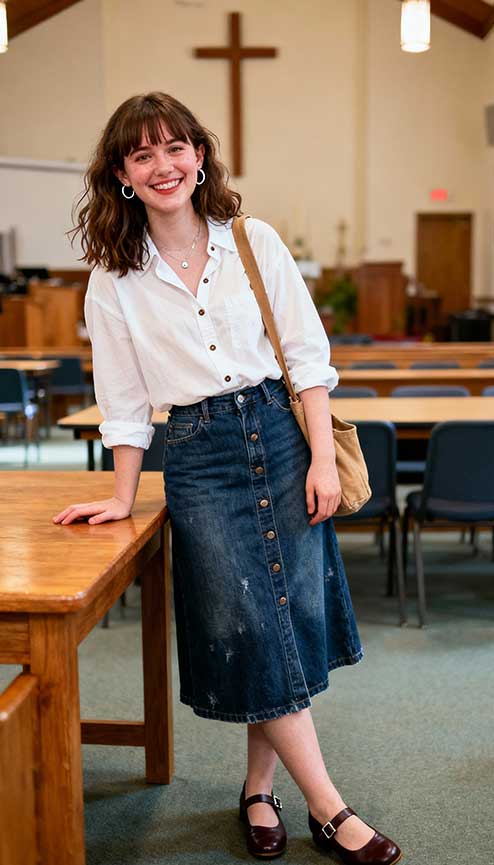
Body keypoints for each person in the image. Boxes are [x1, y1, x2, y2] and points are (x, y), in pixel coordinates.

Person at [53, 92, 402, 865]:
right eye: (142, 154)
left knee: (281, 615)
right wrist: (120, 495)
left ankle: (258, 787)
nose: (163, 165)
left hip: (280, 436)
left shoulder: (253, 239)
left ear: (200, 156)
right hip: (200, 453)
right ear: (122, 175)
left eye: (175, 147)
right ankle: (330, 807)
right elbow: (124, 403)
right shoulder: (114, 279)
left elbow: (307, 360)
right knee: (248, 623)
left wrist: (321, 456)